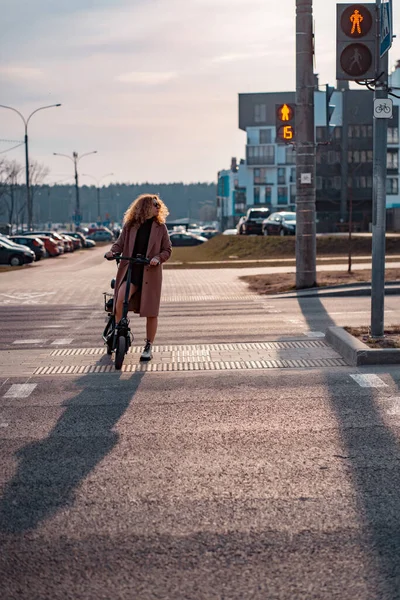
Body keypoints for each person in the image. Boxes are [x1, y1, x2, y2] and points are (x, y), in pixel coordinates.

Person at [105, 194, 172, 361]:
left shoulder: (160, 227)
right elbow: (119, 244)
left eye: (159, 204)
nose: (158, 207)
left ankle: (148, 345)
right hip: (131, 270)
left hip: (151, 272)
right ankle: (121, 330)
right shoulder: (130, 226)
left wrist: (158, 258)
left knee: (151, 311)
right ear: (144, 207)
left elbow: (167, 250)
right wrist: (113, 252)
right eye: (154, 204)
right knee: (120, 298)